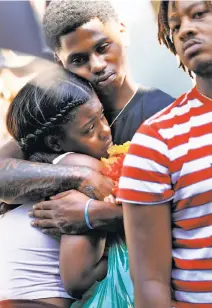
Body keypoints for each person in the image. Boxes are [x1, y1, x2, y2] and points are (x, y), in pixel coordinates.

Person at [0, 0, 174, 234]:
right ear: (59, 62)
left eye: (103, 47)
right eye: (78, 59)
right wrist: (82, 177)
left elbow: (185, 207)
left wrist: (95, 214)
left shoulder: (163, 113)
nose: (98, 65)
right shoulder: (60, 114)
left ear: (122, 31)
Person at [117, 1, 212, 307]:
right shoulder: (157, 140)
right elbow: (150, 282)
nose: (185, 30)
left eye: (199, 13)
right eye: (175, 26)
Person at [0, 70, 112, 307]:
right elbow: (78, 279)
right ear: (54, 142)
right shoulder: (84, 170)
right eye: (89, 128)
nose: (105, 130)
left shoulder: (34, 172)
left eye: (102, 115)